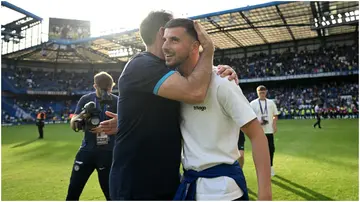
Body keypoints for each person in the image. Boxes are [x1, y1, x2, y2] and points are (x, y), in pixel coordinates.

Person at [98, 11, 237, 200]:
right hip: (137, 185)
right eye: (171, 36)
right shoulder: (143, 65)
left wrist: (221, 71)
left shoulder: (166, 68)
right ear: (162, 32)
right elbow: (195, 92)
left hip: (164, 182)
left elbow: (196, 75)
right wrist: (209, 50)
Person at [161, 19, 271, 200]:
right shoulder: (174, 86)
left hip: (223, 191)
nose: (165, 46)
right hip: (191, 186)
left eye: (174, 40)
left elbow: (257, 135)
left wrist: (265, 195)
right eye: (164, 40)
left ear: (195, 46)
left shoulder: (222, 83)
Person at [66, 72, 118, 201]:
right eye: (104, 88)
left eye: (109, 87)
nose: (107, 91)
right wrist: (83, 114)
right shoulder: (86, 99)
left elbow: (126, 126)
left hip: (108, 153)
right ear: (95, 86)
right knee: (73, 193)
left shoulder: (118, 101)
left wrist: (110, 127)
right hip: (86, 151)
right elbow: (73, 124)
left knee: (111, 195)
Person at [250, 85, 279, 177]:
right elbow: (250, 117)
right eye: (260, 93)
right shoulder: (253, 103)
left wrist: (274, 124)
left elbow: (275, 115)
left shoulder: (271, 103)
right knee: (259, 150)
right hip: (258, 131)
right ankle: (260, 169)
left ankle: (270, 167)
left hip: (269, 130)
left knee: (271, 149)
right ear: (257, 93)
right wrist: (258, 122)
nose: (262, 94)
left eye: (263, 92)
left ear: (266, 92)